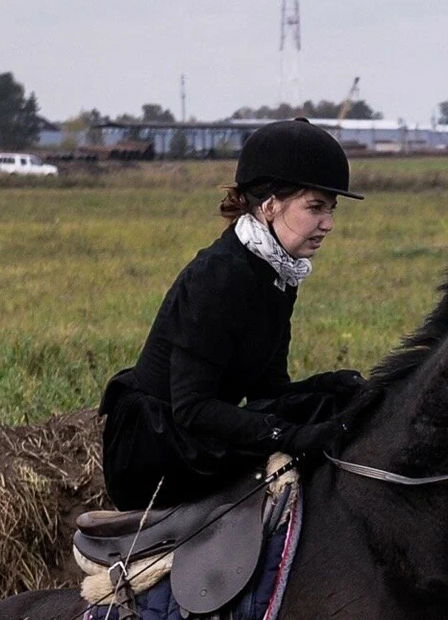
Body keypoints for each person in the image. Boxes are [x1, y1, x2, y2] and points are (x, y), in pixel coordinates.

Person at [99, 117, 374, 510]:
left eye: (331, 210)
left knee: (330, 407)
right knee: (304, 434)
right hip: (155, 448)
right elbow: (192, 407)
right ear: (270, 205)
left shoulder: (277, 272)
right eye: (315, 207)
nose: (327, 224)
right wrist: (290, 435)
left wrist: (329, 384)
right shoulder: (221, 274)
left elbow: (268, 393)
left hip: (197, 430)